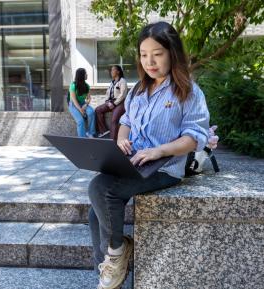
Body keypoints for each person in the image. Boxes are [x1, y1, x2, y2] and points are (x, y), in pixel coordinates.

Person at [88, 22, 210, 289]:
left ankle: (115, 257)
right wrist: (121, 139)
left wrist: (159, 150)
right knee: (94, 210)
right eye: (144, 55)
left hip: (164, 168)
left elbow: (195, 137)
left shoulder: (188, 91)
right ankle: (110, 266)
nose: (149, 61)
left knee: (101, 189)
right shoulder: (139, 90)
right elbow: (127, 120)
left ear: (172, 53)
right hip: (133, 163)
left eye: (157, 53)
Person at [95, 65, 128, 140]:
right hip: (111, 102)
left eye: (113, 70)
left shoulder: (122, 81)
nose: (111, 72)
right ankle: (104, 131)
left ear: (118, 72)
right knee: (98, 110)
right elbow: (107, 93)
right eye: (111, 70)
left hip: (120, 103)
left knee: (114, 120)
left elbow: (123, 95)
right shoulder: (112, 82)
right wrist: (107, 102)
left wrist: (114, 104)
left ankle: (112, 140)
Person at [68, 68, 96, 137]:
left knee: (91, 112)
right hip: (73, 105)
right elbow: (74, 100)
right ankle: (82, 138)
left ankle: (90, 133)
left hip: (83, 104)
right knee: (80, 121)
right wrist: (81, 110)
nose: (87, 75)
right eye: (85, 73)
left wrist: (86, 104)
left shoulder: (87, 86)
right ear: (81, 75)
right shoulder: (73, 85)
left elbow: (89, 98)